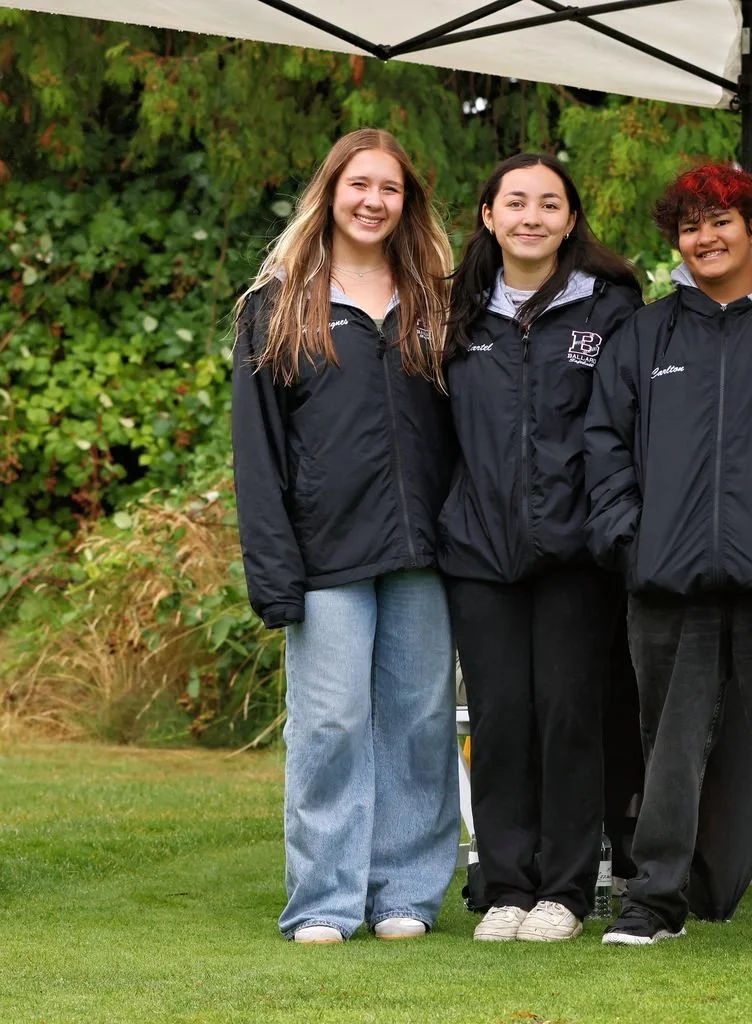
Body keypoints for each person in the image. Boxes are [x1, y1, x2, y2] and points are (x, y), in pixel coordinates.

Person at [584, 163, 752, 949]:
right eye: (691, 225)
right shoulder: (647, 333)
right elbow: (603, 446)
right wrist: (632, 539)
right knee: (665, 749)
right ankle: (655, 904)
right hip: (667, 583)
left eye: (721, 221)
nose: (705, 237)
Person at [231, 128, 458, 945]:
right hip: (325, 555)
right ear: (329, 194)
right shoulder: (279, 304)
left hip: (425, 552)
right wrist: (274, 570)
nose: (373, 201)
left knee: (421, 722)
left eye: (389, 189)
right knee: (329, 726)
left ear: (407, 203)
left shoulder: (437, 300)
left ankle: (404, 894)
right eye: (359, 185)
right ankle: (324, 901)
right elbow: (257, 454)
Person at [438, 153, 643, 942]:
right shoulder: (454, 310)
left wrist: (610, 525)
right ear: (488, 215)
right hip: (478, 553)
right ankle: (504, 887)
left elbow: (627, 427)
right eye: (515, 202)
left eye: (549, 203)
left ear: (570, 218)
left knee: (567, 717)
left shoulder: (611, 310)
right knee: (498, 720)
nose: (531, 216)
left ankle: (563, 890)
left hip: (578, 555)